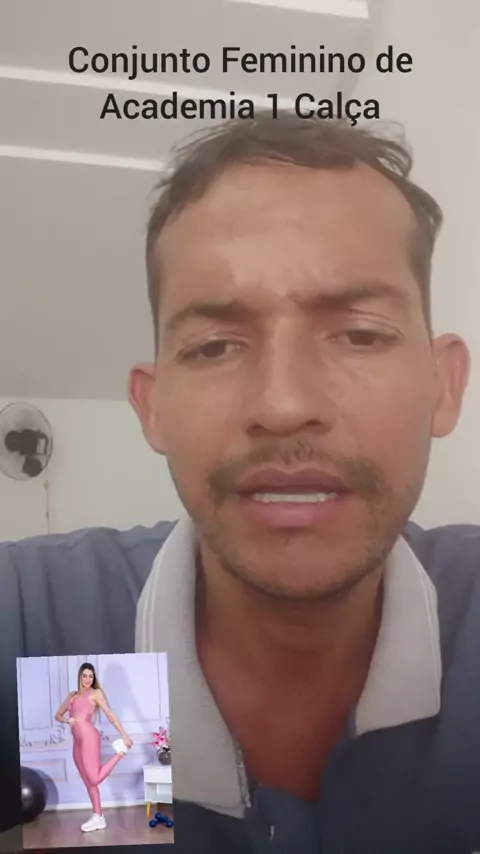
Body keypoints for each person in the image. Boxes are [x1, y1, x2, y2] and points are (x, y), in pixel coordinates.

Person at [2, 112, 480, 854]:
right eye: (216, 346)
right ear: (152, 406)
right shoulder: (41, 620)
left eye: (359, 334)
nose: (283, 405)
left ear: (444, 385)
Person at [54, 662, 133, 833]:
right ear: (80, 676)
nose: (88, 679)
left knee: (95, 779)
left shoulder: (96, 693)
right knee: (89, 782)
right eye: (85, 676)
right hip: (77, 743)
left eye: (91, 676)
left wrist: (124, 735)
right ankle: (98, 817)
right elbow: (58, 715)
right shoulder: (72, 695)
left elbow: (109, 713)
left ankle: (120, 752)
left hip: (89, 738)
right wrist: (68, 720)